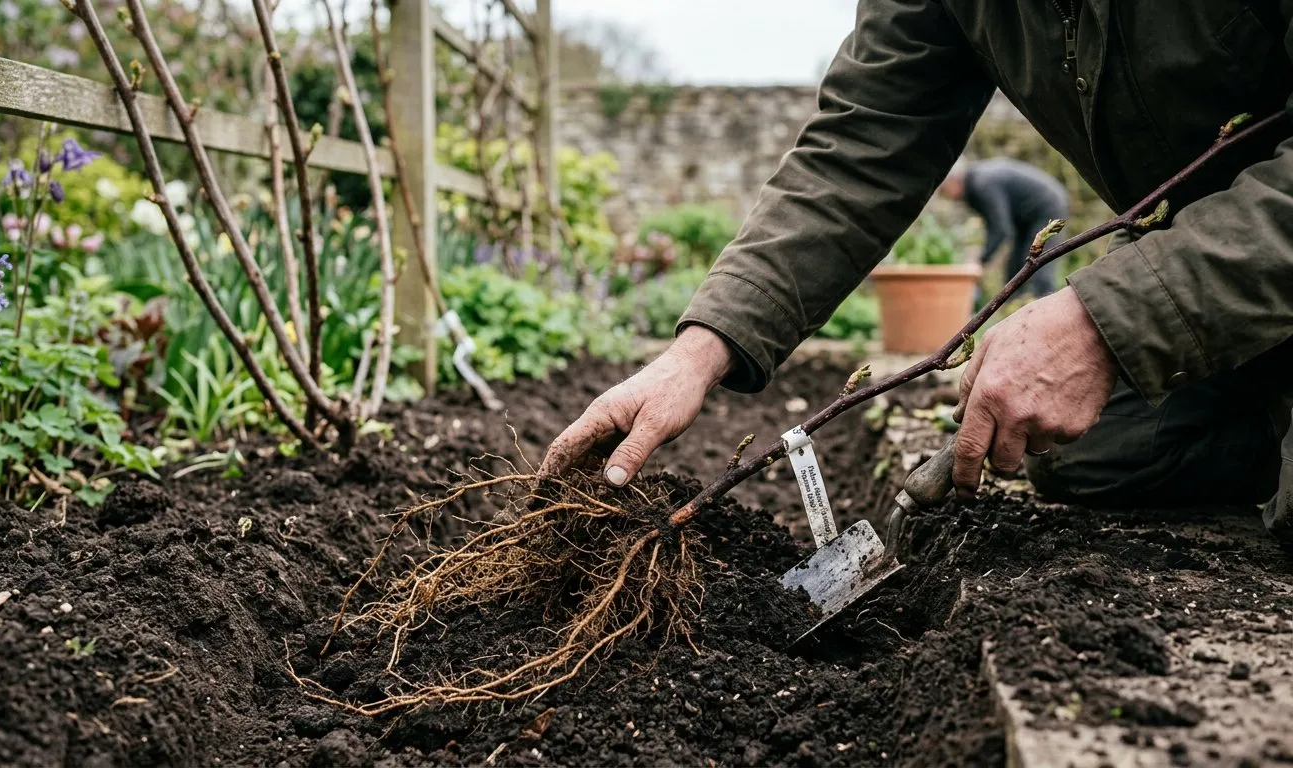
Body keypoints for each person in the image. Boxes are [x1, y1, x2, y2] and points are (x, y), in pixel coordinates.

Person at [542, 1, 1293, 540]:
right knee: (1091, 455)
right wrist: (697, 352)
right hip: (1219, 279)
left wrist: (1111, 320)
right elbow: (861, 147)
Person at [937, 157, 1069, 298]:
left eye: (943, 189)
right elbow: (998, 225)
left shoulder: (981, 184)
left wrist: (980, 260)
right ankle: (1016, 309)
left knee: (1040, 270)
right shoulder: (976, 183)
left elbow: (1000, 229)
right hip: (1025, 218)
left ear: (953, 179)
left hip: (1046, 208)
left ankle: (1046, 311)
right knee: (1016, 272)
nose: (944, 194)